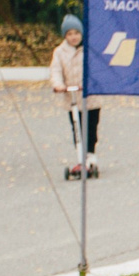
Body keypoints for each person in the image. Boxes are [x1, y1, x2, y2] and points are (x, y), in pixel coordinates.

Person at [48, 12, 102, 177]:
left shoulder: (90, 49)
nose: (74, 37)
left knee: (90, 127)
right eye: (70, 34)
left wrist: (92, 83)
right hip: (72, 98)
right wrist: (58, 85)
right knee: (77, 128)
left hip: (90, 97)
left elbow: (97, 68)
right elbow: (56, 70)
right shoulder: (60, 52)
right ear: (65, 36)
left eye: (77, 33)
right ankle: (80, 157)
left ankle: (90, 155)